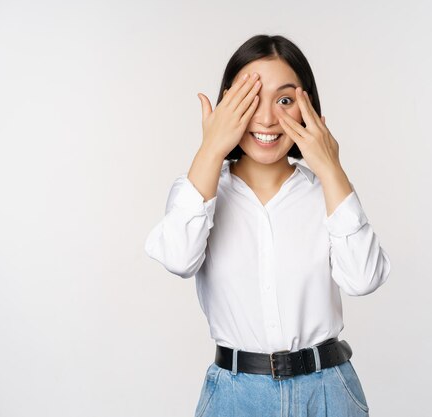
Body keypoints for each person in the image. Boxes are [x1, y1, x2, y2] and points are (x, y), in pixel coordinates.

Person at [144, 34, 392, 417]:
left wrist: (330, 168)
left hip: (326, 392)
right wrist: (210, 148)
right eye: (250, 99)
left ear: (306, 106)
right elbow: (178, 258)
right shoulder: (200, 189)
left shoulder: (323, 192)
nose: (265, 118)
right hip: (235, 396)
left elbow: (364, 279)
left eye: (285, 100)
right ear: (228, 104)